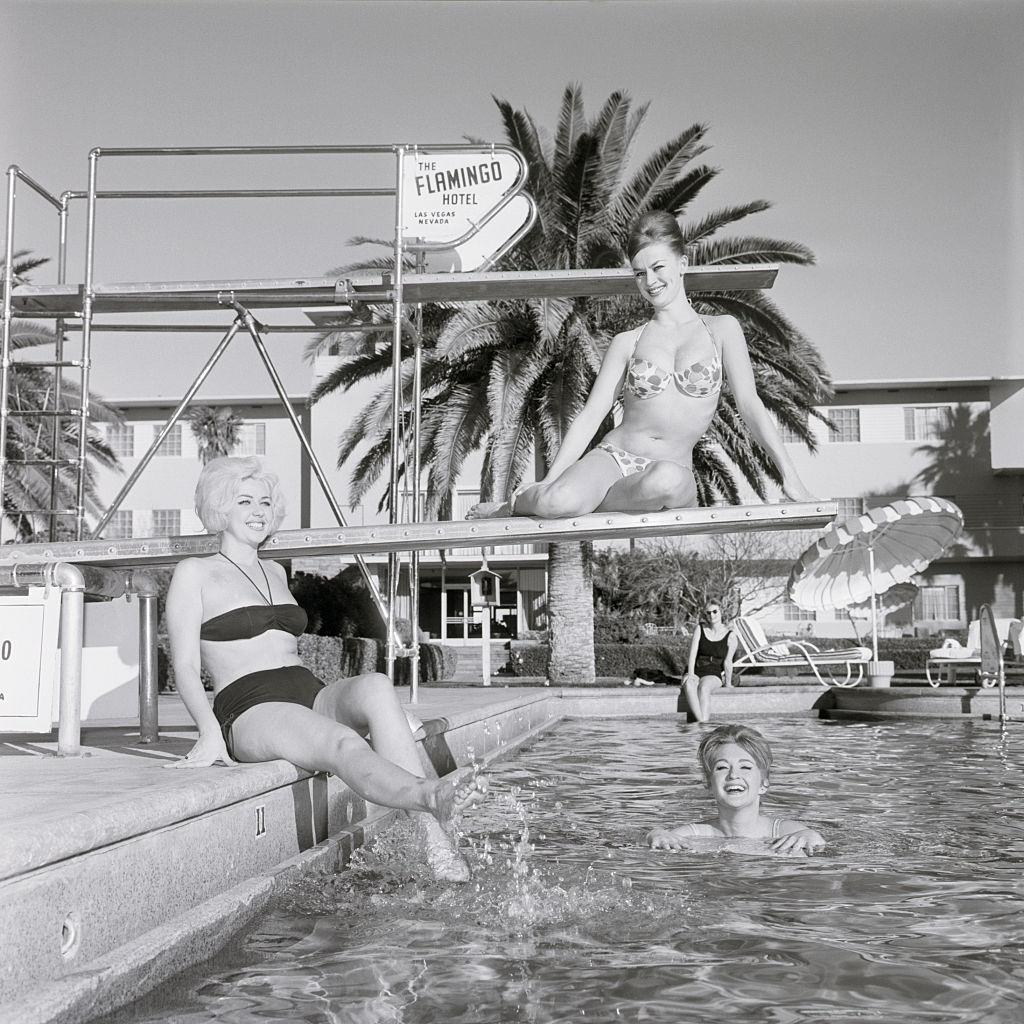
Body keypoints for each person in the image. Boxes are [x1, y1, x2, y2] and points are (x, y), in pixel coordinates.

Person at [165, 456, 487, 883]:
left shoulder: (275, 571)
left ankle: (433, 843)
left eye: (264, 501)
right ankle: (428, 796)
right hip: (250, 705)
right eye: (244, 502)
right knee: (341, 740)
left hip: (308, 689)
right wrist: (208, 733)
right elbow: (184, 664)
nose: (258, 511)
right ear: (220, 508)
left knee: (375, 684)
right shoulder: (195, 573)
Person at [467, 210, 815, 520]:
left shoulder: (721, 330)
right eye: (639, 273)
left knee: (664, 480)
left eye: (658, 267)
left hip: (673, 470)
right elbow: (592, 414)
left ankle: (586, 501)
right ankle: (513, 506)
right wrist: (551, 478)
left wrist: (790, 477)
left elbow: (750, 405)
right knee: (557, 501)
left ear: (683, 262)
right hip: (615, 457)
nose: (650, 282)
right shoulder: (627, 341)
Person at [646, 724, 825, 856]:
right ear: (708, 783)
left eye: (745, 767)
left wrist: (814, 838)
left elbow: (819, 848)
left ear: (764, 783)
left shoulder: (786, 832)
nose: (733, 775)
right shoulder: (693, 834)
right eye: (722, 768)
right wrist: (655, 834)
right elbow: (650, 841)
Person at [679, 601, 737, 722]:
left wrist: (728, 683)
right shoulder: (700, 629)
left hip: (713, 672)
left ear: (721, 612)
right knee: (689, 684)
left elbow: (727, 662)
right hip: (696, 669)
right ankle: (702, 723)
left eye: (715, 611)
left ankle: (702, 723)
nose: (712, 615)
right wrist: (690, 673)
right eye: (709, 612)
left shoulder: (730, 636)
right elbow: (692, 654)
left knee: (704, 687)